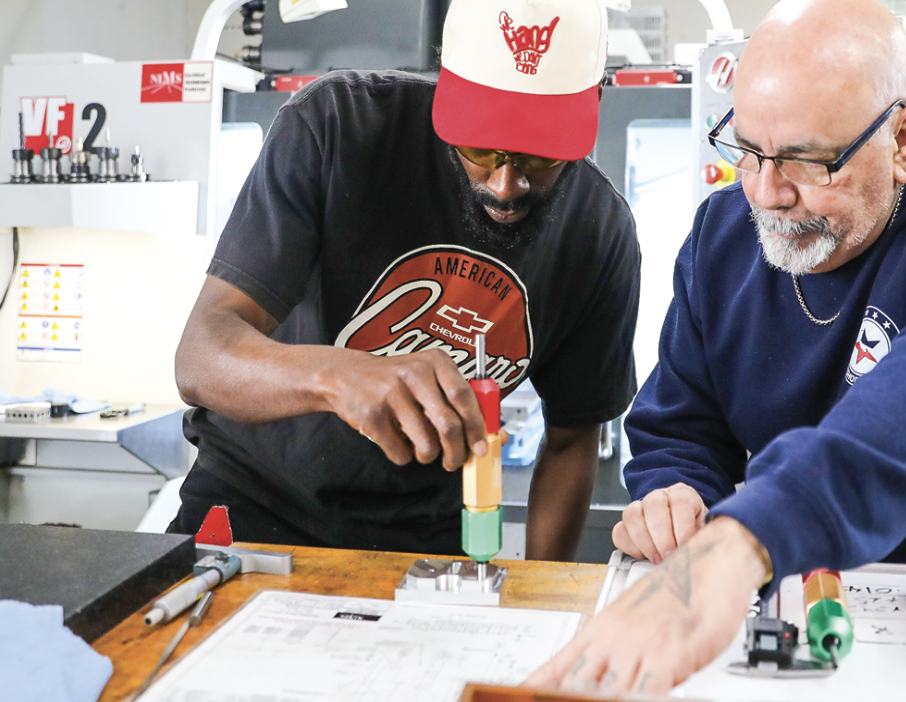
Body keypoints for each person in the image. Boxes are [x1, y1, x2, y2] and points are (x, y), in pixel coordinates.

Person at [526, 0, 906, 693]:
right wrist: (678, 494)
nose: (767, 193)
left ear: (905, 139)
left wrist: (744, 541)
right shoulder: (722, 236)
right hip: (804, 606)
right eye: (747, 149)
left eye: (806, 160)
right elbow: (681, 428)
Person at [168, 0, 639, 562]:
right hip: (250, 509)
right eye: (479, 148)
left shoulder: (599, 231)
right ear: (447, 85)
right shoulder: (338, 127)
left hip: (421, 539)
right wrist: (338, 377)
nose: (506, 184)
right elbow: (201, 356)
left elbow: (570, 440)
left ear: (594, 102)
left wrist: (543, 597)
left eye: (539, 157)